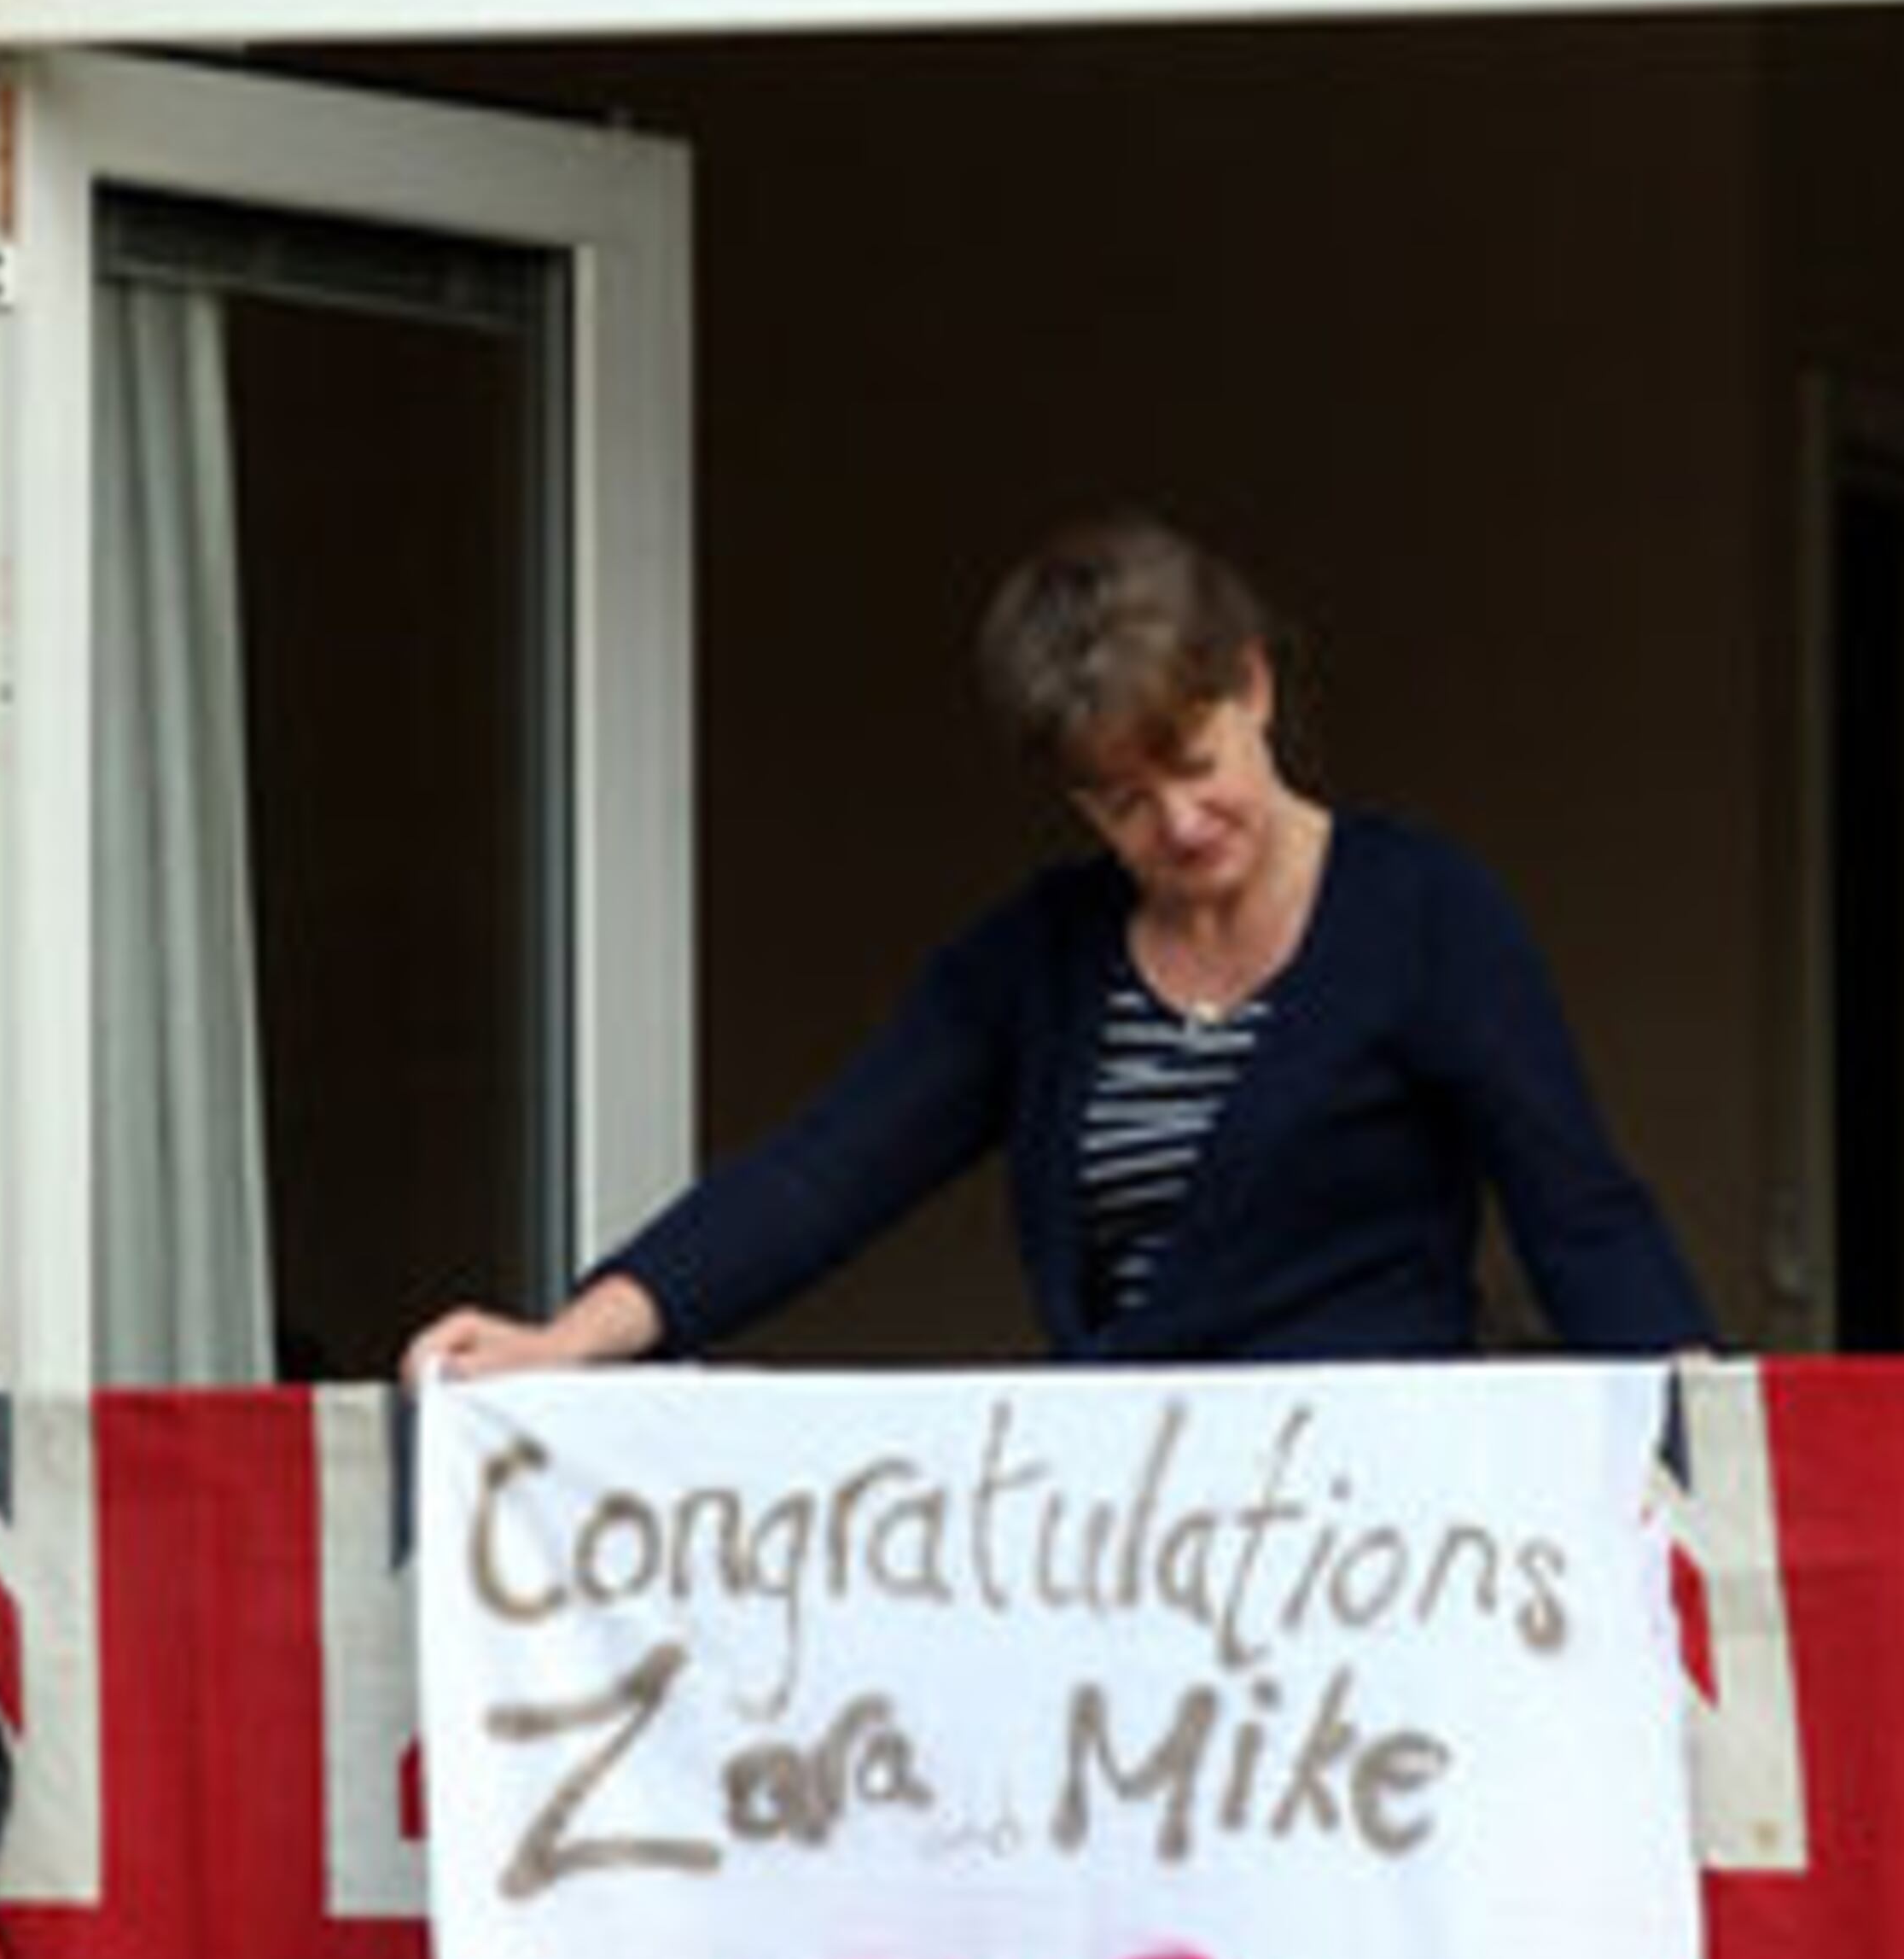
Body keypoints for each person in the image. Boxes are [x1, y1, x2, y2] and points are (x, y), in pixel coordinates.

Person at [400, 513, 1713, 1380]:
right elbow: (824, 1172)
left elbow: (1580, 1212)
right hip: (1122, 1545)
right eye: (1120, 803)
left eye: (1195, 766)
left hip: (1374, 1547)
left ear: (1252, 687)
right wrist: (568, 1340)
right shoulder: (1041, 958)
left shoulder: (1424, 912)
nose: (1179, 825)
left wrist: (1715, 1454)